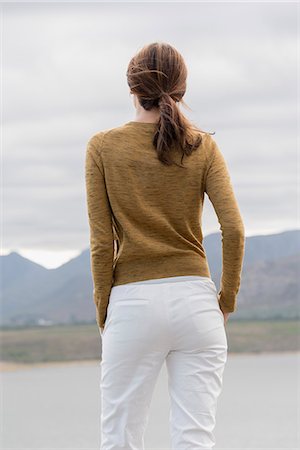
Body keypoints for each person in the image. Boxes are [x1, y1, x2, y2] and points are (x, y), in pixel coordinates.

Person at [85, 41, 245, 450]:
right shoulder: (203, 146)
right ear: (182, 90)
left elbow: (102, 243)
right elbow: (233, 229)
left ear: (131, 87)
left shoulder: (102, 147)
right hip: (196, 302)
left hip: (132, 303)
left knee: (119, 438)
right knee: (195, 439)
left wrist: (105, 310)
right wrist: (225, 300)